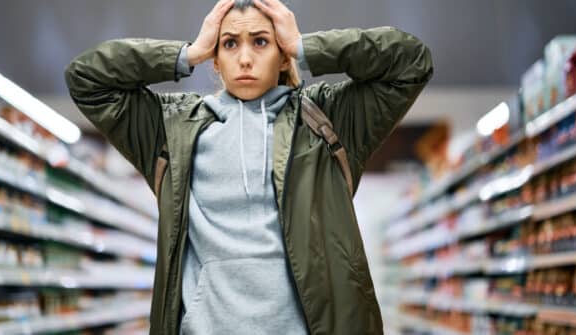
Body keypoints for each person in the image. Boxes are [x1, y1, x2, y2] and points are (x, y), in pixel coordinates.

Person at [65, 0, 433, 333]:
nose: (244, 58)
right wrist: (185, 54)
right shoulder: (172, 129)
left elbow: (410, 62)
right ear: (215, 57)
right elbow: (86, 79)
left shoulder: (327, 119)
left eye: (260, 42)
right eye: (230, 44)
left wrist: (307, 48)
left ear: (282, 54)